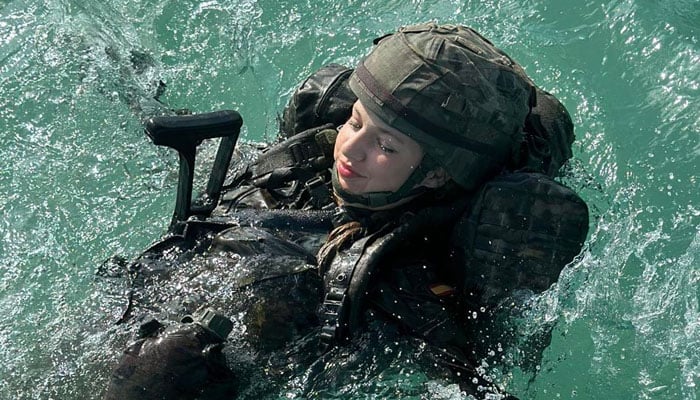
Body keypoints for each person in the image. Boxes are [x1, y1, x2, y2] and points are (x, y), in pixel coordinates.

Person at [103, 22, 589, 400]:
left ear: (437, 175)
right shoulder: (307, 164)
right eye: (356, 121)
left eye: (386, 146)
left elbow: (459, 376)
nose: (351, 149)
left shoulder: (408, 291)